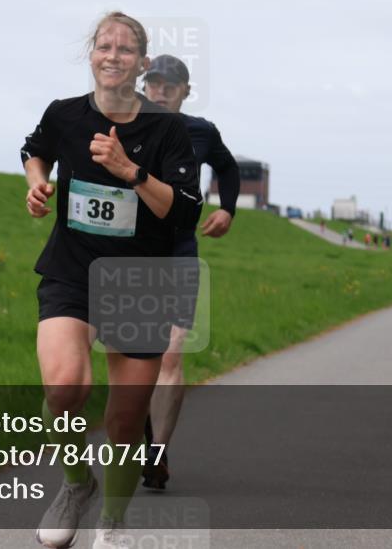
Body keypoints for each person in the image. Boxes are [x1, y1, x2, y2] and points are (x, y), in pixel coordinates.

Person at [21, 12, 203, 549]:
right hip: (72, 270)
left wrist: (131, 172)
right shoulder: (65, 114)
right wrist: (37, 184)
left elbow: (185, 210)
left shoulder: (166, 129)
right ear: (92, 54)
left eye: (126, 50)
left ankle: (113, 524)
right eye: (105, 46)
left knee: (125, 421)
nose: (113, 56)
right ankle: (76, 486)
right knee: (63, 387)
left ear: (141, 64)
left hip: (140, 279)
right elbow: (35, 149)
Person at [139, 54, 240, 491]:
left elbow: (229, 168)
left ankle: (158, 450)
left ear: (185, 90)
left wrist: (228, 210)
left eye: (169, 85)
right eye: (153, 83)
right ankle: (142, 439)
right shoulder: (123, 124)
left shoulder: (201, 130)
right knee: (133, 359)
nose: (159, 90)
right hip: (130, 256)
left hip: (179, 252)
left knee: (170, 354)